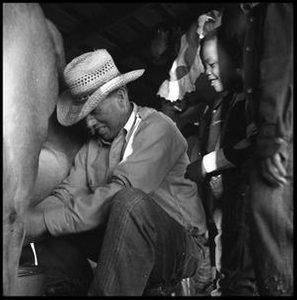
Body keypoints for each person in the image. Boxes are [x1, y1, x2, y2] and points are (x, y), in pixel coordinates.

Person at [22, 49, 208, 296]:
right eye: (84, 117)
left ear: (120, 96)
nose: (89, 125)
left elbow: (119, 195)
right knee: (53, 232)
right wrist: (22, 221)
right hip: (127, 243)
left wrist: (44, 221)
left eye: (95, 113)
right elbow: (65, 195)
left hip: (181, 252)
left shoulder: (159, 128)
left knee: (128, 201)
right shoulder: (92, 148)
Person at [220, 3, 293, 295]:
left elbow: (280, 59)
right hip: (280, 130)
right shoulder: (255, 15)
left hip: (282, 133)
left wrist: (274, 134)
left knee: (270, 223)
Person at [185, 27, 256, 296]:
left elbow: (249, 145)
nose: (207, 72)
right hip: (219, 200)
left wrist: (205, 165)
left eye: (213, 64)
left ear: (236, 62)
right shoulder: (216, 105)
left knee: (238, 259)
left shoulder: (246, 100)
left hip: (240, 197)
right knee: (222, 249)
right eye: (205, 65)